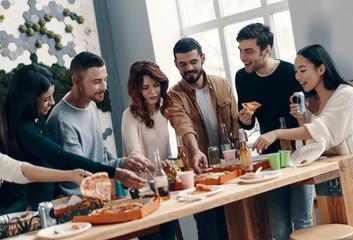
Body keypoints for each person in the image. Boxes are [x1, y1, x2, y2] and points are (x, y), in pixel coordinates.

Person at [3, 64, 147, 211]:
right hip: (23, 208)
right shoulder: (24, 128)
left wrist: (118, 165)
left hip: (44, 202)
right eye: (46, 99)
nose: (52, 102)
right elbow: (60, 156)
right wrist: (115, 172)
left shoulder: (37, 116)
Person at [235, 23, 312, 240]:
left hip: (299, 155)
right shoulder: (242, 77)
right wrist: (245, 120)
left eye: (249, 51)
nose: (243, 57)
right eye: (240, 50)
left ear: (266, 50)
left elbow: (310, 118)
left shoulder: (290, 73)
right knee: (278, 228)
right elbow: (248, 125)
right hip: (269, 159)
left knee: (302, 222)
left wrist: (301, 114)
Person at [47, 52, 150, 196]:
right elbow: (81, 170)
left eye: (105, 80)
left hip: (99, 192)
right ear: (76, 81)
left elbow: (99, 146)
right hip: (78, 199)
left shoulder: (90, 104)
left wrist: (122, 163)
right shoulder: (62, 120)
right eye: (97, 82)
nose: (104, 87)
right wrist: (118, 167)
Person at [167, 37, 239, 240]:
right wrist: (196, 150)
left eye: (193, 62)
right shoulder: (173, 96)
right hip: (199, 173)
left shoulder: (221, 83)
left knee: (232, 227)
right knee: (209, 231)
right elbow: (183, 125)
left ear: (203, 58)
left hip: (228, 168)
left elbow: (234, 121)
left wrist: (239, 148)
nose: (189, 68)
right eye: (183, 64)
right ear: (176, 65)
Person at [253, 44, 353, 155]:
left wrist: (276, 134)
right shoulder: (309, 103)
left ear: (321, 69)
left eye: (302, 70)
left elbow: (322, 131)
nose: (297, 76)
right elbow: (312, 146)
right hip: (325, 168)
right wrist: (302, 120)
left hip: (351, 167)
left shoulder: (347, 94)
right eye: (296, 71)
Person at [122, 60, 177, 240]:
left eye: (156, 85)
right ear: (137, 89)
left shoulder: (164, 111)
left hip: (162, 186)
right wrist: (157, 165)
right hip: (142, 191)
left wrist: (169, 166)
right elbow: (135, 153)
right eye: (146, 88)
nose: (153, 92)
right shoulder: (130, 115)